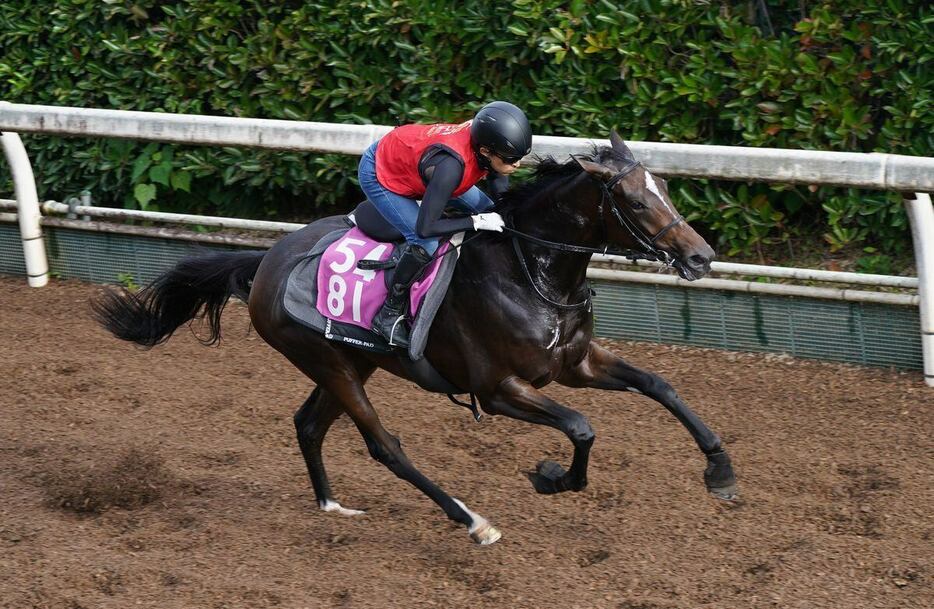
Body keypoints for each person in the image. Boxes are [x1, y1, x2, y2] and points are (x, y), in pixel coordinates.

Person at [357, 101, 532, 348]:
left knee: (489, 210)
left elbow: (498, 188)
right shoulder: (451, 167)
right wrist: (476, 221)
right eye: (512, 159)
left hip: (423, 165)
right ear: (484, 152)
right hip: (379, 172)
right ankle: (387, 314)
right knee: (426, 243)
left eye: (520, 157)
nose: (518, 165)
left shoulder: (486, 142)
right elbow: (425, 228)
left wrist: (503, 212)